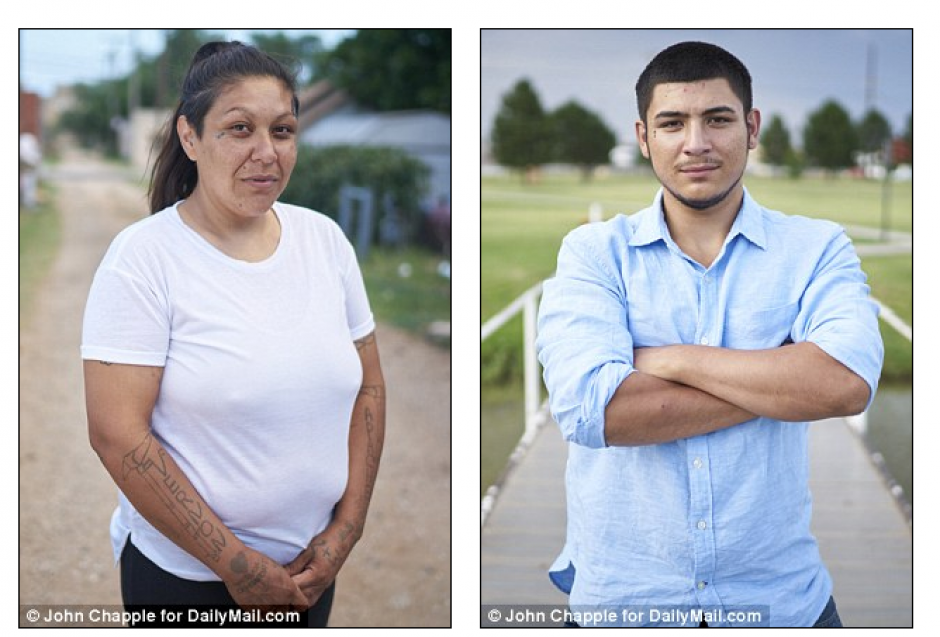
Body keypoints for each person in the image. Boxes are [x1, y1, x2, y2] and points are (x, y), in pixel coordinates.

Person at [536, 41, 883, 627]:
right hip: (624, 604)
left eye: (717, 119)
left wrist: (670, 360)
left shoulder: (816, 248)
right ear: (645, 137)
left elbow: (844, 385)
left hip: (781, 602)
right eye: (673, 123)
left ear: (751, 128)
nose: (696, 143)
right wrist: (779, 377)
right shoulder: (594, 252)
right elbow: (594, 413)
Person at [82, 41, 385, 627]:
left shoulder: (325, 243)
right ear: (190, 137)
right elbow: (117, 434)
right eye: (239, 128)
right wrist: (236, 565)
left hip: (309, 572)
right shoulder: (143, 259)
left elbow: (369, 389)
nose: (266, 152)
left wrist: (346, 529)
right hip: (185, 580)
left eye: (284, 130)